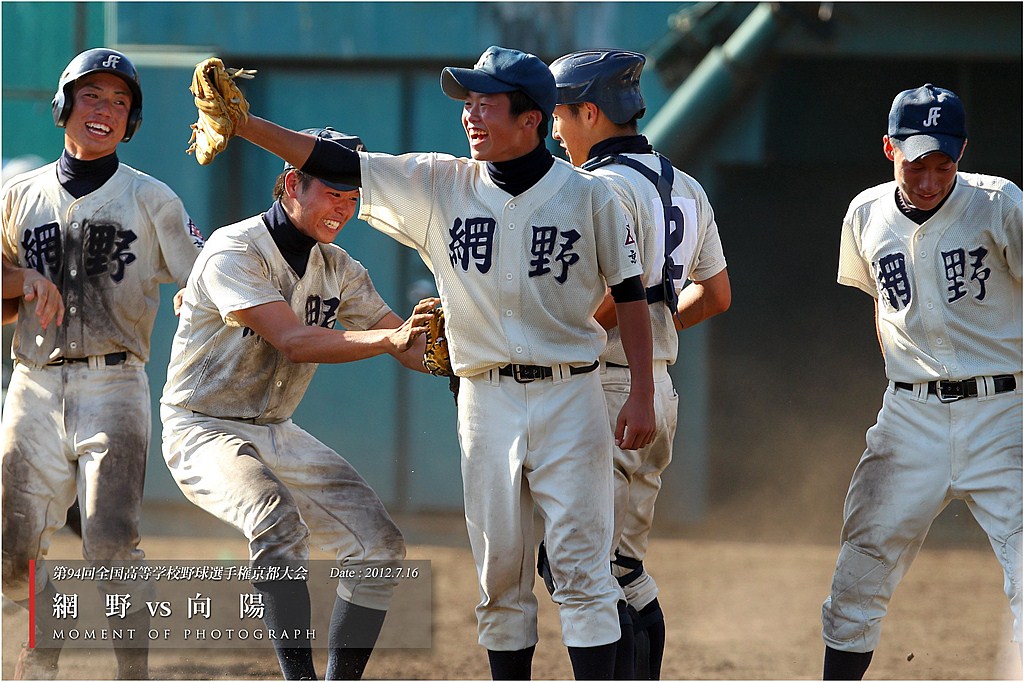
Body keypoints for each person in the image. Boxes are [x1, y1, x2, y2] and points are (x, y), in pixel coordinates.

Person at [216, 46, 658, 680]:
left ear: (532, 118)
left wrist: (640, 390)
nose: (470, 116)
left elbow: (632, 298)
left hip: (573, 395)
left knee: (583, 571)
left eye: (487, 104)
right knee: (500, 574)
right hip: (485, 397)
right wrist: (247, 126)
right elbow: (343, 164)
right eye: (467, 104)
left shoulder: (592, 199)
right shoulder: (440, 184)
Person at [160, 127, 433, 681]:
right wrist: (390, 340)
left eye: (353, 197)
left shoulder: (339, 268)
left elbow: (407, 346)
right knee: (275, 519)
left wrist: (463, 346)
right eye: (332, 191)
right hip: (201, 426)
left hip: (276, 429)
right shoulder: (235, 248)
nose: (344, 207)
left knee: (379, 547)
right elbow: (294, 340)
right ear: (291, 184)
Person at [1, 47, 205, 680]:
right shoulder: (20, 196)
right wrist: (23, 277)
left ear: (131, 121)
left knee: (110, 543)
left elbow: (202, 275)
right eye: (92, 96)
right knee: (12, 553)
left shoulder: (153, 200)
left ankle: (130, 673)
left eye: (120, 101)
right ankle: (47, 634)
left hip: (113, 383)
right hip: (32, 383)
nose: (106, 110)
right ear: (64, 107)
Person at [821, 83, 1022, 679]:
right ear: (889, 149)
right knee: (859, 568)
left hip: (1004, 409)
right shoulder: (865, 212)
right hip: (911, 416)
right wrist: (903, 382)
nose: (931, 178)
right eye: (917, 163)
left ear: (961, 153)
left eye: (944, 163)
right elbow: (880, 307)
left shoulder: (998, 203)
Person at [546, 49, 731, 680]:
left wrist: (595, 331)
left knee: (580, 569)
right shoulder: (687, 185)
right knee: (622, 570)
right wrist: (652, 326)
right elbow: (717, 292)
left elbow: (603, 300)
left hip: (604, 394)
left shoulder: (597, 185)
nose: (554, 130)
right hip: (654, 388)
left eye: (559, 115)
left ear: (590, 113)